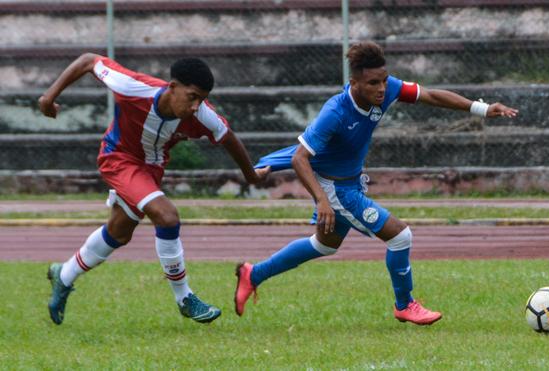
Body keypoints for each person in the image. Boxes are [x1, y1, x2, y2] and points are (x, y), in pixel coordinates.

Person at [234, 41, 518, 325]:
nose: (382, 88)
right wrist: (322, 200)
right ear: (354, 82)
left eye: (383, 80)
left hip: (350, 183)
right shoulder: (335, 112)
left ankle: (253, 273)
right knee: (400, 236)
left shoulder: (388, 89)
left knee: (323, 246)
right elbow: (299, 158)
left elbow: (430, 95)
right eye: (373, 83)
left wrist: (481, 109)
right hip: (336, 190)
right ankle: (405, 305)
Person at [39, 53, 270, 325]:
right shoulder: (132, 88)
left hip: (151, 170)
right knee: (167, 216)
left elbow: (228, 139)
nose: (196, 106)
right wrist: (48, 97)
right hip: (118, 159)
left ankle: (63, 275)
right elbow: (89, 60)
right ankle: (184, 298)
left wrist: (251, 175)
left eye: (202, 99)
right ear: (172, 87)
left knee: (118, 232)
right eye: (192, 96)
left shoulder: (202, 114)